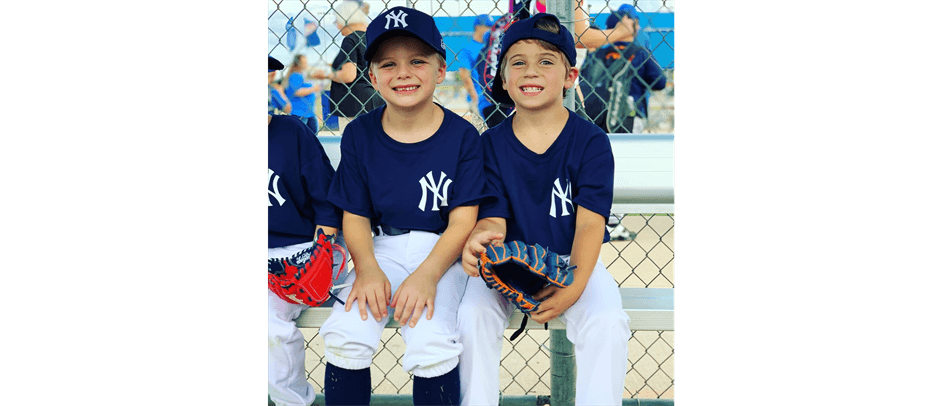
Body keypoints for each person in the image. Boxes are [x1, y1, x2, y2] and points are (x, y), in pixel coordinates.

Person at [457, 14, 631, 406]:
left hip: (573, 259)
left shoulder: (590, 141)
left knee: (607, 322)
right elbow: (494, 218)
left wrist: (575, 283)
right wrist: (483, 238)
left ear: (570, 77)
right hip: (506, 263)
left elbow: (589, 225)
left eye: (546, 61)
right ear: (502, 80)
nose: (530, 70)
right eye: (517, 62)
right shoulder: (490, 145)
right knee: (471, 317)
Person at [320, 6, 486, 406]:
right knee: (346, 333)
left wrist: (428, 275)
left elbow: (464, 220)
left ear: (440, 69)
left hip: (442, 253)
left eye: (417, 61)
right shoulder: (359, 133)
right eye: (388, 64)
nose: (403, 73)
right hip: (381, 249)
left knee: (431, 340)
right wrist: (367, 269)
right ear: (372, 76)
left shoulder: (463, 135)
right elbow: (354, 216)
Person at [266, 55, 346, 406]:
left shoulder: (290, 132)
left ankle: (292, 402)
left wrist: (322, 247)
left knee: (270, 324)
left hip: (299, 249)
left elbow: (327, 201)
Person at [476, 0, 633, 129]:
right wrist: (621, 31)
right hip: (552, 76)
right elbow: (579, 37)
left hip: (553, 74)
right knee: (578, 140)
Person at [579, 4, 666, 133]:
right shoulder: (641, 53)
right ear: (633, 28)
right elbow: (660, 82)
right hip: (630, 114)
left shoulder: (598, 54)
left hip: (598, 115)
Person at [310, 1, 384, 132]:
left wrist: (325, 74)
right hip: (374, 99)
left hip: (353, 105)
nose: (336, 26)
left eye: (336, 20)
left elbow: (348, 75)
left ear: (344, 19)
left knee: (352, 146)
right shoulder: (371, 39)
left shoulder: (350, 40)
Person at [456, 14, 495, 118]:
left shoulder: (492, 47)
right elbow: (465, 75)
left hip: (494, 98)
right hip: (479, 97)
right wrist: (475, 98)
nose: (490, 30)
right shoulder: (468, 49)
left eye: (492, 27)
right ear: (478, 27)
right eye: (488, 27)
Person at [283, 54, 321, 133]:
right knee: (301, 135)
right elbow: (298, 92)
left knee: (312, 134)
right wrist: (313, 89)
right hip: (299, 113)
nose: (306, 64)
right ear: (298, 63)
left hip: (309, 112)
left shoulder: (302, 75)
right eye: (304, 62)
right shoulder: (295, 76)